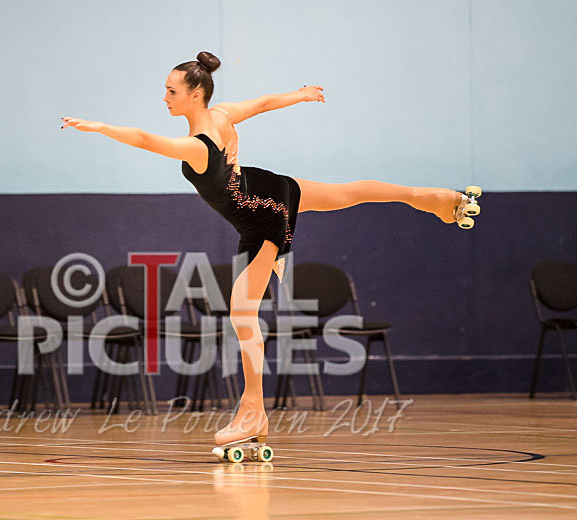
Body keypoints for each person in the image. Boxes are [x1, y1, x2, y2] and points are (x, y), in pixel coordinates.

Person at [61, 51, 478, 450]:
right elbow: (260, 103)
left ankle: (253, 412)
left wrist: (98, 127)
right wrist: (298, 95)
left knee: (243, 315)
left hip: (261, 217)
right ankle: (434, 198)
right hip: (266, 191)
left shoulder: (198, 143)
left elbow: (144, 139)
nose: (164, 98)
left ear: (194, 94)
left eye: (171, 91)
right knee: (347, 192)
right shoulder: (220, 115)